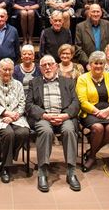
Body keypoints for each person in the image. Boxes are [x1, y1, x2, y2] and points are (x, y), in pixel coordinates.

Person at [26, 55, 81, 192]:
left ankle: (71, 171)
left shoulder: (68, 82)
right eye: (44, 65)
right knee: (46, 131)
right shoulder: (34, 82)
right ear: (40, 68)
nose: (48, 67)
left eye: (50, 64)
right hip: (44, 118)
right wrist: (45, 115)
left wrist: (65, 115)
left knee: (69, 130)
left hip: (64, 116)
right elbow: (29, 104)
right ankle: (43, 171)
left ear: (56, 66)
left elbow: (76, 102)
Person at [0, 58, 30, 183]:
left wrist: (15, 115)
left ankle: (2, 158)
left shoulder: (18, 84)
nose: (8, 72)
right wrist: (6, 113)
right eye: (5, 69)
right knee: (8, 133)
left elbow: (22, 103)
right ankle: (6, 168)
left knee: (24, 132)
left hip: (16, 117)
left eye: (10, 69)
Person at [76, 51, 109, 172]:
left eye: (101, 63)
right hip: (89, 112)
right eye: (96, 63)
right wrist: (99, 112)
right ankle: (91, 158)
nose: (99, 66)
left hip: (108, 111)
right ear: (90, 65)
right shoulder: (82, 78)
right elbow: (82, 101)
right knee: (98, 128)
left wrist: (107, 111)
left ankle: (92, 152)